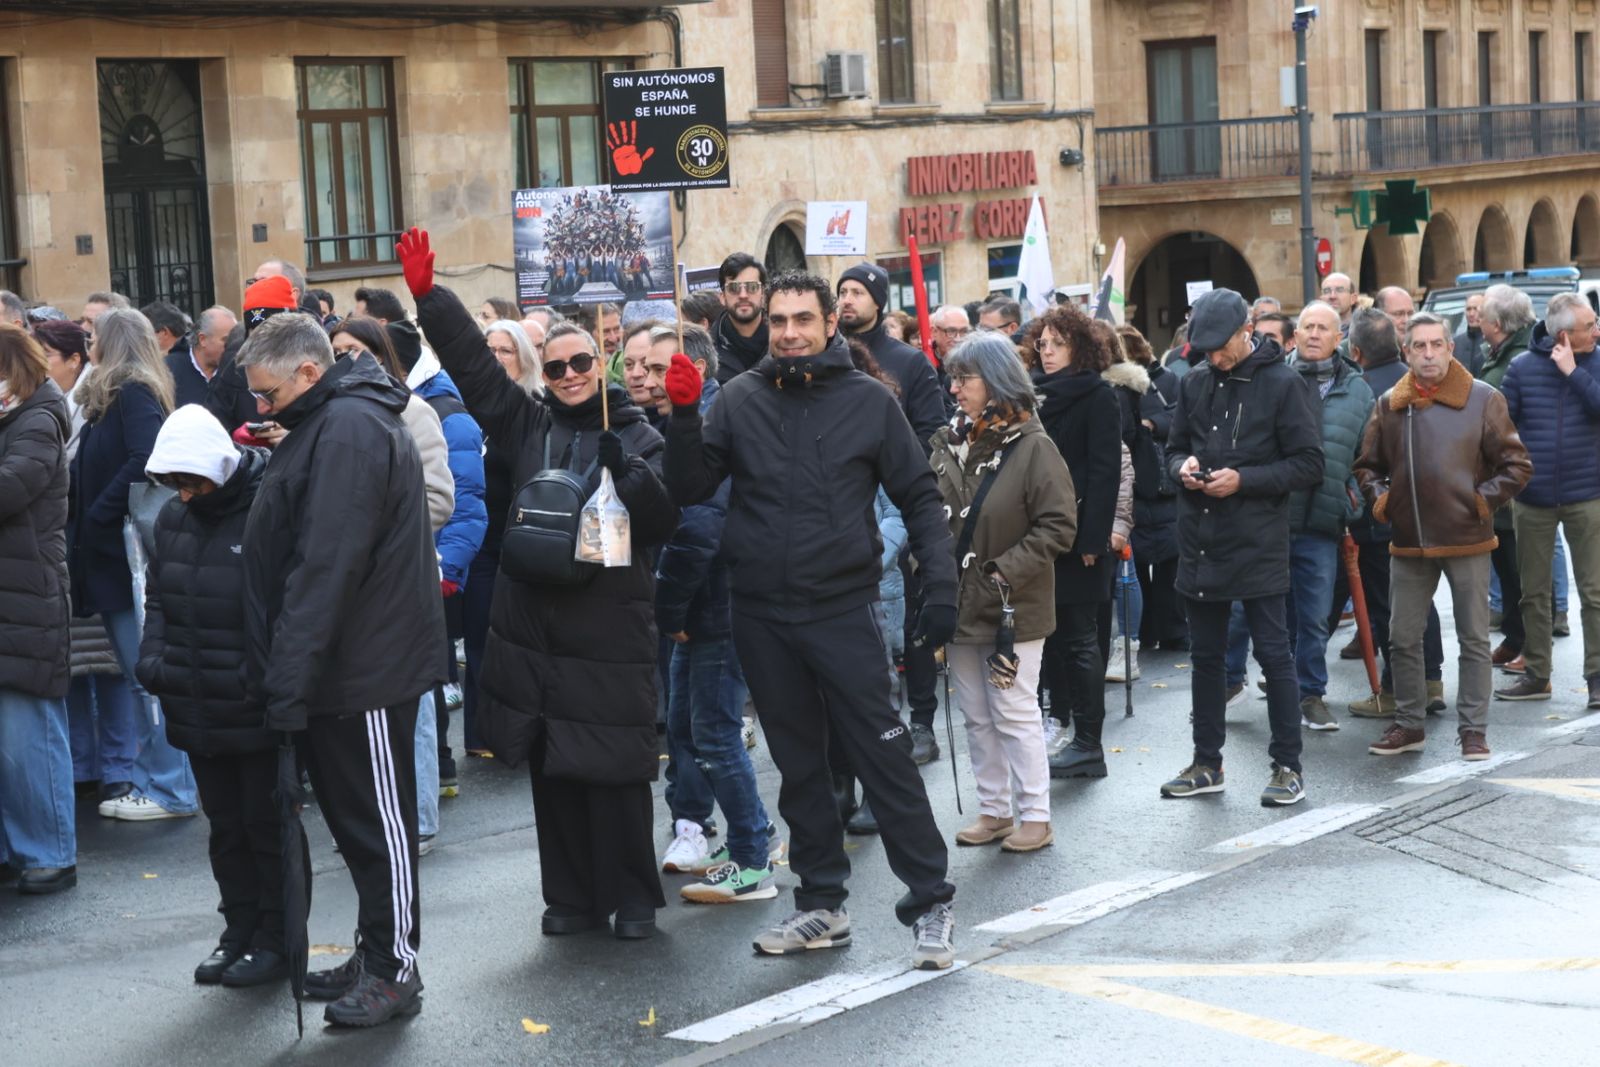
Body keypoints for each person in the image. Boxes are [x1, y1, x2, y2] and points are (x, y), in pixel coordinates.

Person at [662, 270, 960, 970]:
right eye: (778, 320)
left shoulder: (869, 402)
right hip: (761, 614)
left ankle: (931, 899)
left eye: (803, 318)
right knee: (798, 768)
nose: (789, 331)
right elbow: (689, 486)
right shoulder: (735, 399)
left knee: (884, 757)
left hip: (842, 609)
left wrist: (940, 587)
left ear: (831, 323)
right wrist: (681, 418)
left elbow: (919, 497)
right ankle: (821, 903)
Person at [401, 228, 679, 941]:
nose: (569, 375)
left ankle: (634, 898)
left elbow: (659, 519)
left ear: (601, 362)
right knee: (553, 770)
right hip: (537, 627)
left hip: (609, 625)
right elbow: (472, 365)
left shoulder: (639, 430)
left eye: (581, 361)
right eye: (555, 368)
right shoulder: (527, 422)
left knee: (615, 774)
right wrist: (431, 298)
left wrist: (633, 468)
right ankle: (571, 897)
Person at [238, 311, 443, 1027]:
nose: (263, 408)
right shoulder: (331, 423)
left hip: (366, 669)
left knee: (379, 826)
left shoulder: (350, 427)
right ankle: (375, 950)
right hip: (343, 665)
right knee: (357, 828)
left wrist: (288, 680)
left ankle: (396, 968)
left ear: (308, 372)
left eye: (268, 394)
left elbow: (326, 565)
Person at [136, 406, 285, 985]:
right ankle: (238, 930)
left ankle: (274, 937)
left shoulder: (266, 509)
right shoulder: (173, 518)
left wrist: (265, 680)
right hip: (193, 694)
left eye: (193, 481)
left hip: (252, 701)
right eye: (176, 483)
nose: (186, 494)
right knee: (225, 828)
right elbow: (159, 598)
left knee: (265, 826)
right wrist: (154, 663)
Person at [1161, 287, 1323, 805]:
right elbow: (1173, 448)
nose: (1213, 357)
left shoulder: (1284, 384)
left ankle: (1287, 766)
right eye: (1203, 349)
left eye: (1221, 347)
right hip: (1200, 540)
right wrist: (1180, 467)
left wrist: (1245, 480)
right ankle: (1207, 762)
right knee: (1206, 657)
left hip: (1257, 541)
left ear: (1245, 331)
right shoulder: (1194, 383)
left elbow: (1309, 464)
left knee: (1274, 656)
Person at [1354, 313, 1531, 760]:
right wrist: (1381, 502)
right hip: (1409, 541)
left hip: (1467, 537)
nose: (1429, 353)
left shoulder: (1483, 399)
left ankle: (1474, 729)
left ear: (1450, 348)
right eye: (1419, 346)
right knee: (1402, 637)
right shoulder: (1390, 404)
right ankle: (1410, 724)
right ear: (1406, 352)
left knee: (1474, 639)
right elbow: (1368, 467)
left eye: (1437, 344)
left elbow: (1517, 465)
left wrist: (1479, 502)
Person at [647, 323, 780, 901]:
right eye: (641, 369)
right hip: (697, 607)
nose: (647, 380)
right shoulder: (680, 420)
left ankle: (753, 860)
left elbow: (698, 525)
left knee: (716, 734)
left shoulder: (707, 421)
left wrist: (669, 609)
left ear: (692, 369)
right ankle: (749, 834)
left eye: (658, 368)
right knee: (684, 725)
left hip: (719, 605)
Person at [931, 333, 1077, 852]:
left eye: (963, 379)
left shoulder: (1033, 445)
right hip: (959, 602)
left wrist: (1001, 572)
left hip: (1012, 606)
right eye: (952, 378)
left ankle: (1036, 815)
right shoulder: (950, 440)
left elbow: (1059, 526)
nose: (954, 389)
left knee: (1014, 711)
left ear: (994, 382)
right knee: (975, 714)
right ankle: (994, 809)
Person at [68, 308, 200, 822]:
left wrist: (98, 514)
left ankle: (169, 788)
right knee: (138, 674)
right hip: (109, 558)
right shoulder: (113, 396)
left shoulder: (133, 393)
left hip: (126, 559)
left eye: (94, 335)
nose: (87, 342)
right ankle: (157, 781)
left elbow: (144, 459)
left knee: (147, 676)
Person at [388, 318, 487, 815]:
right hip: (420, 565)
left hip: (436, 564)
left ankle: (439, 771)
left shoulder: (442, 412)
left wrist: (450, 567)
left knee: (432, 673)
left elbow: (465, 499)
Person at [0, 324, 77, 894]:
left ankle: (49, 852)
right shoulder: (15, 414)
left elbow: (13, 485)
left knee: (30, 736)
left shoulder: (38, 416)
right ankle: (18, 848)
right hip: (13, 590)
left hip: (27, 594)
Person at [1340, 309, 1447, 717]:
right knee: (1422, 600)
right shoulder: (1419, 381)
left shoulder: (1362, 390)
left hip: (1378, 515)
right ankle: (1431, 681)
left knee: (1389, 606)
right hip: (1424, 511)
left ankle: (1396, 690)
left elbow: (1359, 459)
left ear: (1356, 350)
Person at [1031, 306, 1121, 779]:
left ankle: (1089, 743)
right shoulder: (1033, 394)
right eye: (1042, 343)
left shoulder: (1098, 396)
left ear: (1080, 348)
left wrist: (1093, 539)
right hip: (1040, 534)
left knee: (1082, 638)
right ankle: (1067, 728)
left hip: (1081, 536)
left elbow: (1106, 471)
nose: (1047, 352)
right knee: (1056, 639)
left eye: (1057, 343)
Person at [1498, 293, 1600, 704]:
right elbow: (1502, 428)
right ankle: (1537, 674)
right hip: (1533, 497)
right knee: (1533, 592)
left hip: (1588, 494)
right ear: (1563, 333)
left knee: (1594, 592)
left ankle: (1597, 677)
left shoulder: (1594, 360)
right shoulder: (1521, 367)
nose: (1597, 330)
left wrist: (1574, 372)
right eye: (1590, 326)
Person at [1283, 303, 1374, 731]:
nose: (1315, 334)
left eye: (1324, 328)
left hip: (1322, 523)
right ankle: (1233, 680)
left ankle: (1311, 694)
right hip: (1272, 517)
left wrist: (1349, 499)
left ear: (1340, 339)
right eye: (1308, 326)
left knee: (1315, 616)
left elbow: (1367, 459)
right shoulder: (1274, 380)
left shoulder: (1359, 391)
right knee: (1257, 613)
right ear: (1295, 334)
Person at [461, 320, 541, 759]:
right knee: (479, 637)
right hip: (479, 540)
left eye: (504, 351)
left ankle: (520, 728)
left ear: (523, 357)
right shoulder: (465, 410)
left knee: (517, 638)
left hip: (521, 541)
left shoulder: (532, 408)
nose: (495, 359)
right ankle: (479, 733)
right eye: (487, 350)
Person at [1477, 283, 1535, 673]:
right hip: (1499, 480)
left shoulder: (1518, 360)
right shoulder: (1502, 354)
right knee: (1506, 568)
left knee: (1521, 571)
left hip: (1515, 480)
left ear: (1496, 324)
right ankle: (1515, 637)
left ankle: (1531, 645)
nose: (1476, 319)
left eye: (1481, 314)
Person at [1121, 324, 1186, 652]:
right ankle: (1145, 630)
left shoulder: (1165, 381)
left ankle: (1172, 629)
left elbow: (1181, 420)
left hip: (1162, 483)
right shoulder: (1115, 387)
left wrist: (1152, 424)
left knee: (1169, 562)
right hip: (1135, 485)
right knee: (1137, 563)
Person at [836, 263, 946, 449]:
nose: (847, 300)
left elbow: (931, 432)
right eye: (843, 292)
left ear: (878, 302)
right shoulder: (825, 353)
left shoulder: (912, 362)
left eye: (857, 293)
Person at [712, 252, 769, 384]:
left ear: (763, 294)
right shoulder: (706, 351)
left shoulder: (784, 343)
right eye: (734, 288)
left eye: (752, 287)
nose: (743, 295)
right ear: (722, 297)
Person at [1453, 292, 1488, 377]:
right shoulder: (1455, 343)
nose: (1471, 314)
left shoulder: (1493, 341)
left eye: (1476, 309)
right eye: (1468, 309)